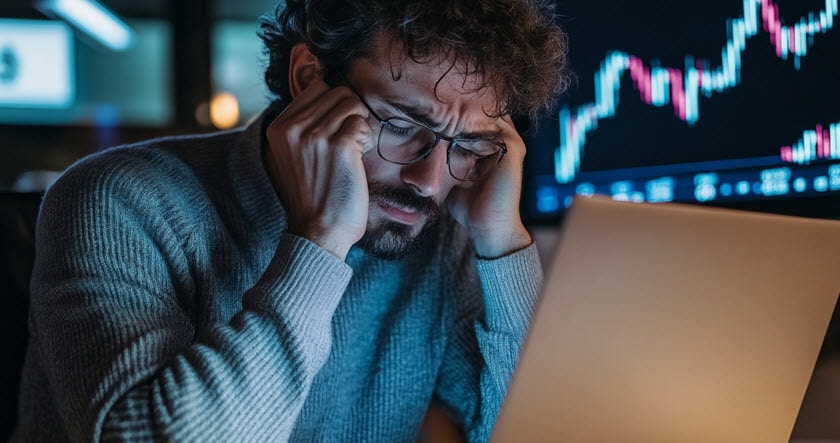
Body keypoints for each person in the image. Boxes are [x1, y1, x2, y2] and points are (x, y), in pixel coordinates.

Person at [13, 0, 569, 441]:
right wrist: (320, 240)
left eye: (468, 144)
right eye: (401, 125)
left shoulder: (437, 235)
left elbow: (541, 430)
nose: (429, 181)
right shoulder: (118, 200)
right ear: (308, 77)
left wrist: (503, 242)